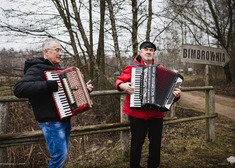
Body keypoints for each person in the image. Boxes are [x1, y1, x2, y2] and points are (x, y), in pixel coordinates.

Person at [14, 38, 93, 168]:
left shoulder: (57, 70)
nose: (60, 54)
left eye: (61, 50)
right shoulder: (37, 69)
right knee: (59, 155)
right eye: (57, 50)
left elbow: (67, 95)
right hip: (50, 121)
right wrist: (48, 85)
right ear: (47, 52)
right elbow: (19, 89)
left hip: (64, 118)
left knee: (62, 154)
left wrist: (85, 90)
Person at [115, 41, 181, 168]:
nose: (149, 52)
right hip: (137, 114)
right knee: (136, 143)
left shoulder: (161, 69)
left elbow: (171, 91)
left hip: (156, 114)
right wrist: (122, 85)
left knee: (156, 143)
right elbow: (119, 81)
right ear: (140, 52)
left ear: (154, 53)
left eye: (151, 50)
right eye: (146, 49)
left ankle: (153, 165)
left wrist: (177, 95)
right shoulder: (132, 67)